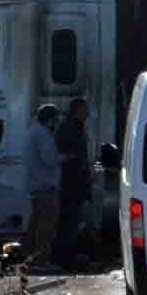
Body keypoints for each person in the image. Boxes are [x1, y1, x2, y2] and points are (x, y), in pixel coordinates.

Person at [54, 98, 91, 271]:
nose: (88, 113)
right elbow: (64, 152)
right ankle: (64, 257)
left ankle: (68, 255)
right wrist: (74, 159)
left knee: (72, 220)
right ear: (78, 110)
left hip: (75, 181)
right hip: (70, 181)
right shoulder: (68, 127)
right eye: (85, 109)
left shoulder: (75, 126)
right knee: (68, 219)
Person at [25, 104, 63, 270]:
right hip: (45, 187)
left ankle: (30, 258)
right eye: (55, 120)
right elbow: (49, 159)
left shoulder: (33, 131)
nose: (56, 124)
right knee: (46, 226)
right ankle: (42, 261)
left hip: (35, 185)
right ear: (49, 120)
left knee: (35, 224)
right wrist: (63, 158)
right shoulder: (43, 134)